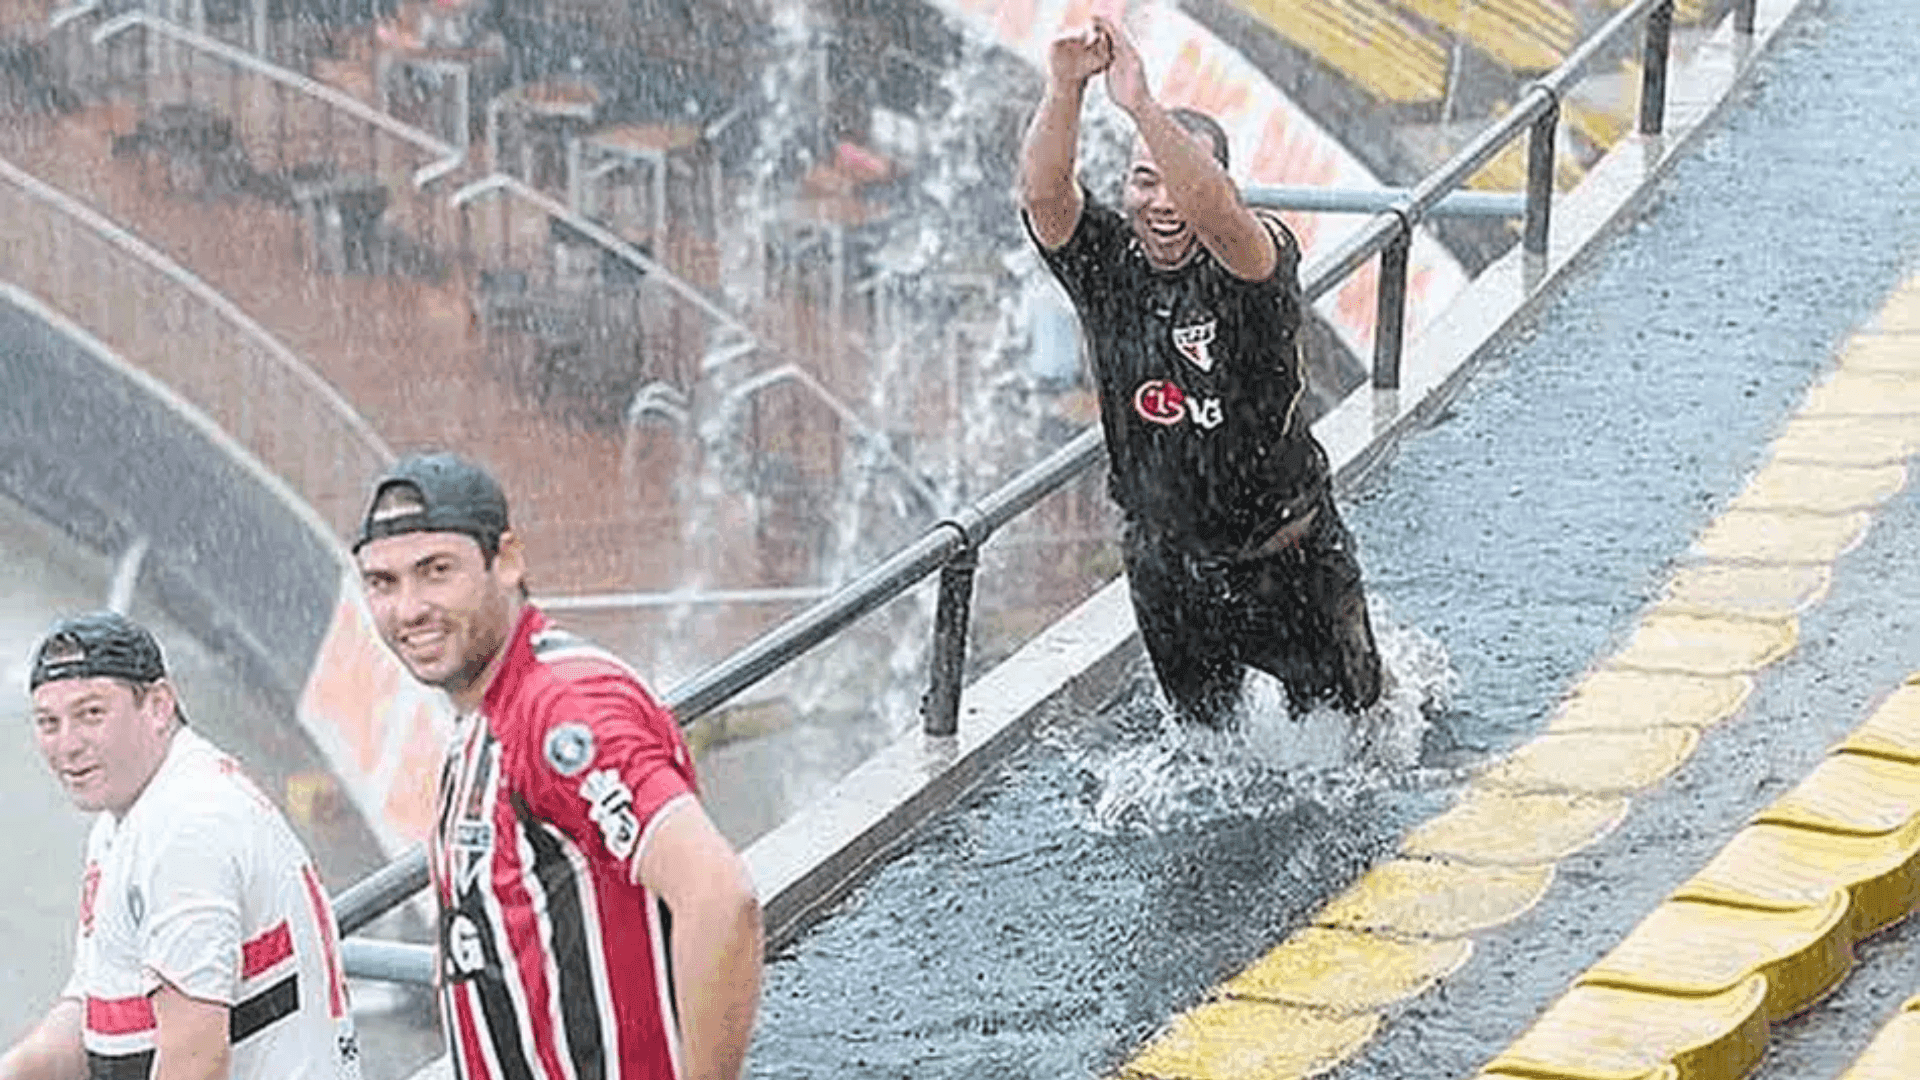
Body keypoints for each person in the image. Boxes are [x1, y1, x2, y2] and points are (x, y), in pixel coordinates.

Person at [1019, 15, 1384, 727]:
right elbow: (1044, 199)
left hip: (1290, 562)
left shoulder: (1251, 260)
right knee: (1203, 756)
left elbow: (1214, 211)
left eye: (1177, 180)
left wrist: (1143, 109)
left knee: (1359, 741)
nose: (1162, 203)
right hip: (1170, 570)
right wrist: (1064, 87)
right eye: (1142, 181)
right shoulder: (1109, 265)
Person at [351, 451, 762, 1080]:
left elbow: (720, 897)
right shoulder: (486, 709)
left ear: (508, 561)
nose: (408, 609)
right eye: (383, 583)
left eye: (437, 572)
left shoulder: (562, 710)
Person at [3, 612, 361, 1080]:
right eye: (49, 722)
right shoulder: (137, 809)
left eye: (92, 713)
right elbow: (89, 1014)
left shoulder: (185, 828)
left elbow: (196, 1063)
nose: (67, 744)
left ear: (158, 705)